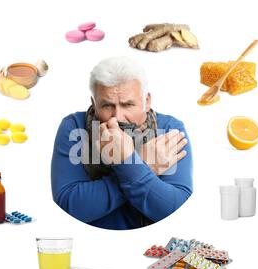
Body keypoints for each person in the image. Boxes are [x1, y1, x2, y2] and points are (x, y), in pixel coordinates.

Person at [51, 56, 193, 230]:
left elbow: (176, 210)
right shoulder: (73, 127)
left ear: (146, 102)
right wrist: (140, 164)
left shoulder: (170, 129)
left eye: (128, 105)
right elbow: (69, 207)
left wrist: (126, 164)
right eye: (107, 105)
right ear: (94, 104)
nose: (117, 117)